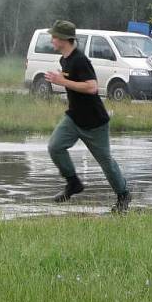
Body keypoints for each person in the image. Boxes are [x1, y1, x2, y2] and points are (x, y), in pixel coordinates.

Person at [44, 20, 131, 214]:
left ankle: (123, 195)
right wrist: (62, 78)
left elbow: (92, 87)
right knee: (55, 147)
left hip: (94, 122)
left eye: (55, 36)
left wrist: (62, 80)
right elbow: (71, 80)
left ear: (64, 39)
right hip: (74, 117)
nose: (52, 39)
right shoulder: (64, 60)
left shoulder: (80, 59)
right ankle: (73, 183)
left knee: (106, 163)